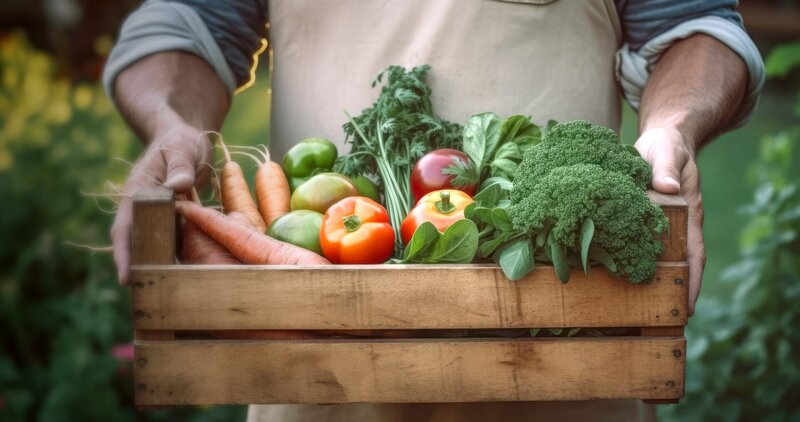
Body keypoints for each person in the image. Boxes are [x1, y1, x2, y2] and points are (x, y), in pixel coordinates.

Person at [104, 1, 764, 420]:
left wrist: (673, 126)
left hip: (569, 377)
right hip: (316, 383)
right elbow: (186, 22)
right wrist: (170, 121)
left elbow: (695, 26)